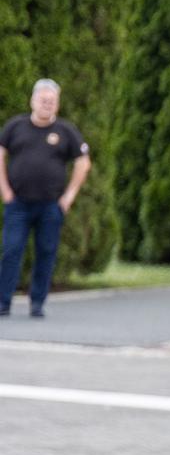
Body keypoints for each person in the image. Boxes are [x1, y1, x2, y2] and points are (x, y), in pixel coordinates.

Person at [0, 79, 90, 318]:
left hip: (50, 205)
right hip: (17, 203)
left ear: (57, 105)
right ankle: (3, 301)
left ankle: (37, 302)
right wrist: (5, 190)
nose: (47, 104)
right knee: (11, 250)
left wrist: (69, 196)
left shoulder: (65, 131)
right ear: (33, 100)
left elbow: (83, 162)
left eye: (52, 101)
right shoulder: (15, 126)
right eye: (43, 100)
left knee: (46, 252)